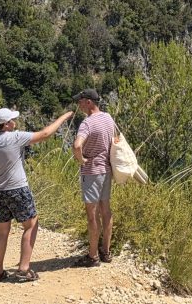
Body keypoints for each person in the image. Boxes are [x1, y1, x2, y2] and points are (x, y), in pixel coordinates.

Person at [0, 107, 73, 282]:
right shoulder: (16, 137)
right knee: (30, 225)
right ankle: (23, 269)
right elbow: (45, 134)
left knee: (1, 231)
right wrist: (64, 117)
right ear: (6, 124)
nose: (15, 122)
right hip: (17, 190)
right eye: (12, 120)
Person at [70, 88, 117, 267]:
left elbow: (76, 145)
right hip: (106, 171)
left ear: (88, 102)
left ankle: (92, 256)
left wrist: (81, 159)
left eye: (80, 101)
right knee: (106, 210)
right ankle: (106, 251)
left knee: (92, 215)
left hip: (91, 173)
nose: (78, 104)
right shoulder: (108, 118)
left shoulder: (87, 123)